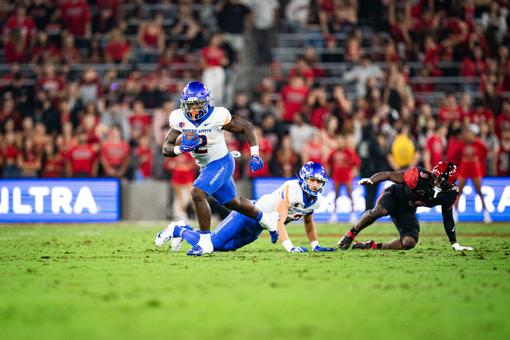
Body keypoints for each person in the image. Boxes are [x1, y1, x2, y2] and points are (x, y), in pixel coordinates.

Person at [161, 81, 279, 256]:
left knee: (197, 192)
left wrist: (255, 154)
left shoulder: (217, 115)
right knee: (234, 203)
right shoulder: (179, 118)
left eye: (197, 105)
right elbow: (166, 148)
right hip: (206, 166)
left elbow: (247, 127)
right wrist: (181, 149)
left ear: (206, 102)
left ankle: (205, 241)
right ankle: (266, 218)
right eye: (190, 105)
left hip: (222, 162)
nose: (193, 110)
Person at [155, 162, 336, 253]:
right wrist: (290, 247)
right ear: (304, 178)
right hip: (247, 215)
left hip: (256, 230)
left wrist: (315, 245)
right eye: (312, 180)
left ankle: (187, 231)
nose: (315, 185)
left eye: (318, 182)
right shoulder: (292, 189)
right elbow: (279, 220)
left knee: (223, 249)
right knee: (212, 244)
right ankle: (177, 229)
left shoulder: (316, 199)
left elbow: (309, 221)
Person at [337, 161, 474, 252]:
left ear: (450, 184)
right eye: (437, 179)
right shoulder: (418, 176)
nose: (438, 184)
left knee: (409, 242)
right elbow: (388, 175)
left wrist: (454, 243)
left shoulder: (449, 194)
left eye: (443, 183)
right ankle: (350, 235)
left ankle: (371, 246)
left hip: (407, 209)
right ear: (433, 175)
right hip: (394, 196)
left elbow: (448, 218)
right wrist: (372, 180)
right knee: (380, 211)